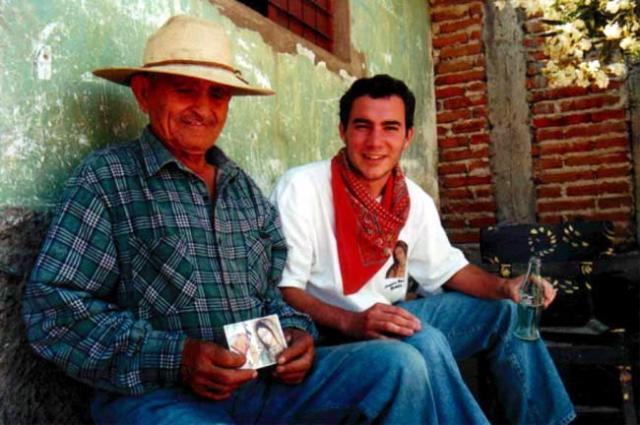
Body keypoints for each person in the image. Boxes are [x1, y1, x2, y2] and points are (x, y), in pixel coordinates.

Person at [22, 18, 437, 424]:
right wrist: (178, 358)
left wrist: (296, 336)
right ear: (144, 93)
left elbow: (272, 295)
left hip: (263, 385)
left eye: (218, 95)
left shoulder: (243, 191)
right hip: (159, 398)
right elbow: (53, 310)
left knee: (398, 366)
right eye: (185, 90)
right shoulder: (107, 178)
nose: (203, 109)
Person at [271, 74, 577, 425]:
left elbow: (445, 269)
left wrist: (504, 287)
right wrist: (353, 321)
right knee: (424, 339)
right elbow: (284, 289)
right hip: (326, 333)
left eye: (390, 128)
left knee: (505, 312)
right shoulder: (301, 187)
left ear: (408, 136)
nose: (375, 142)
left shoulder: (412, 199)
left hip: (390, 318)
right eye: (362, 126)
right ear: (342, 130)